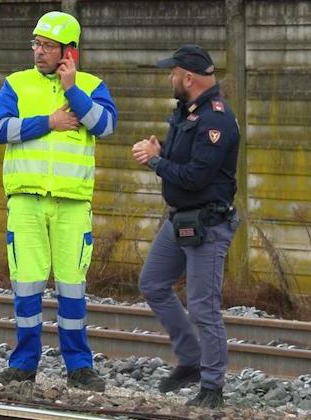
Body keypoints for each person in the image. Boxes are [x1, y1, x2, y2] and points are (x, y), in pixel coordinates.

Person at [0, 11, 117, 392]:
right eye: (36, 44)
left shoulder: (92, 86)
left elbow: (105, 126)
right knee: (26, 285)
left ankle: (79, 366)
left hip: (72, 205)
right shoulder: (16, 84)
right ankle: (24, 364)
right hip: (26, 203)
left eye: (46, 46)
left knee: (72, 287)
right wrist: (49, 122)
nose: (38, 52)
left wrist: (73, 90)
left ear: (69, 52)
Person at [132, 44, 240, 408]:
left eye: (172, 72)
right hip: (180, 218)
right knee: (152, 283)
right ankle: (191, 358)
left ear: (188, 77)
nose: (169, 77)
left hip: (208, 222)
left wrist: (154, 163)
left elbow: (195, 176)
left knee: (203, 306)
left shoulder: (216, 120)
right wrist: (161, 150)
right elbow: (184, 157)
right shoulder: (188, 112)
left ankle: (212, 387)